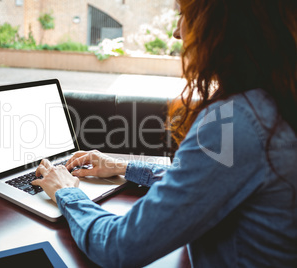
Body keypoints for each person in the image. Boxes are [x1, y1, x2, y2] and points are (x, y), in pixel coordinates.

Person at [32, 0, 297, 267]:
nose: (177, 33)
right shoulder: (276, 102)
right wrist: (123, 167)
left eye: (183, 15)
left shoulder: (235, 123)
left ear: (217, 27)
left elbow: (119, 246)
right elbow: (207, 180)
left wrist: (66, 192)